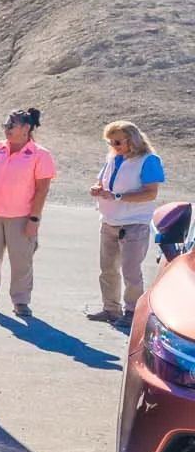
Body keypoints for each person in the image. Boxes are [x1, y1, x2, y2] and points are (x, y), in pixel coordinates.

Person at [0, 107, 56, 318]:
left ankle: (21, 302)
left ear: (26, 128)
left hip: (20, 217)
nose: (7, 129)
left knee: (21, 262)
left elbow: (42, 189)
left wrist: (34, 219)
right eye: (5, 125)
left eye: (11, 125)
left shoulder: (39, 155)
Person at [88, 120, 165, 329]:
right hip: (109, 221)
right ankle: (110, 309)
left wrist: (118, 196)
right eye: (110, 142)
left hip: (134, 224)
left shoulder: (148, 160)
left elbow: (150, 193)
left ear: (132, 140)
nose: (113, 146)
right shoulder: (113, 158)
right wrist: (97, 188)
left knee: (131, 270)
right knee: (107, 269)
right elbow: (102, 182)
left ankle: (132, 312)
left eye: (118, 142)